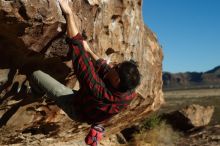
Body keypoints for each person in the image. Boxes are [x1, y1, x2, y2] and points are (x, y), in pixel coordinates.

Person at [29, 0, 141, 145]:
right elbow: (104, 67)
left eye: (116, 68)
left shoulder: (96, 90)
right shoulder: (129, 92)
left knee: (35, 74)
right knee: (102, 77)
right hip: (95, 109)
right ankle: (98, 123)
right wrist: (89, 50)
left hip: (77, 107)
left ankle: (35, 93)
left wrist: (68, 13)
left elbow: (77, 49)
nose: (113, 65)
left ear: (117, 81)